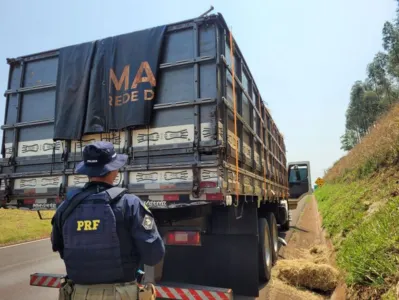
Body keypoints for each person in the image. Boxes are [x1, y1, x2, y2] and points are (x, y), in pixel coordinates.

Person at [51, 141, 165, 300]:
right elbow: (153, 255)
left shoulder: (65, 207)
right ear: (114, 170)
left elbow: (61, 248)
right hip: (121, 294)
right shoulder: (130, 204)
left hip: (77, 293)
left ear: (87, 170)